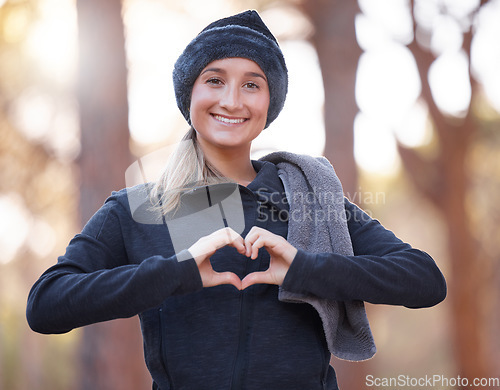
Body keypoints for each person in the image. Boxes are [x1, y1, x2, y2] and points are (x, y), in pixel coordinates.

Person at [26, 10, 447, 390]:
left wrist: (304, 268)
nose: (231, 100)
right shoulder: (138, 209)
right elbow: (46, 305)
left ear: (269, 103)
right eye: (214, 80)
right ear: (190, 93)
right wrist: (178, 272)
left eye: (252, 84)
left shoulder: (310, 198)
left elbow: (424, 279)